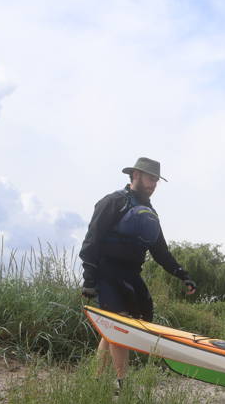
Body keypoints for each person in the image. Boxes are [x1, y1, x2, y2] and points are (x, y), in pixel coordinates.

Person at [79, 157, 196, 388]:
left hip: (131, 276)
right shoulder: (113, 202)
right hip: (107, 272)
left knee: (113, 328)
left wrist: (183, 274)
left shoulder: (149, 213)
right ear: (135, 175)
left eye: (156, 180)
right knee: (120, 326)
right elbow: (92, 240)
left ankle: (95, 380)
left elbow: (160, 251)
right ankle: (122, 384)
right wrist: (89, 279)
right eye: (150, 178)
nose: (153, 184)